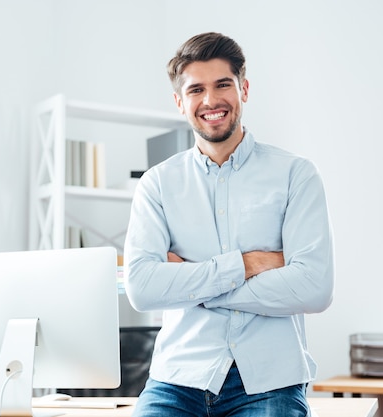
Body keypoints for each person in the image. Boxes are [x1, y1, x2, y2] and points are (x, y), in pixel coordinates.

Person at [123, 32, 335, 417]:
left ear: (244, 89)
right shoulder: (157, 184)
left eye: (223, 85)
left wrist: (189, 281)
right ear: (179, 102)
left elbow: (314, 288)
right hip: (177, 380)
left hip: (270, 382)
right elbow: (141, 288)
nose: (210, 101)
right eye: (195, 90)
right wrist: (248, 264)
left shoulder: (296, 175)